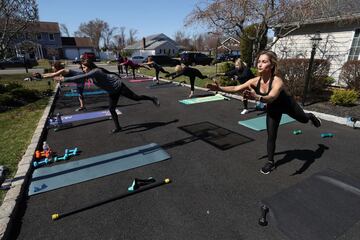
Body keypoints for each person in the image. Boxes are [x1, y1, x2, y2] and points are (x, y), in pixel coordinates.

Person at [206, 50, 322, 174]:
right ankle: (270, 162)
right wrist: (219, 88)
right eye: (259, 61)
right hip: (273, 109)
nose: (260, 64)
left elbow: (271, 97)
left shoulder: (277, 81)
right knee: (271, 136)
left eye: (264, 61)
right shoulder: (255, 81)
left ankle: (310, 116)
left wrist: (257, 97)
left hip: (288, 105)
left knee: (304, 120)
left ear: (271, 65)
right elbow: (235, 88)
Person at [54, 59, 160, 134]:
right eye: (83, 67)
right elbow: (79, 76)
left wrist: (64, 79)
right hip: (112, 90)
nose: (83, 69)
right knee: (111, 109)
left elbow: (83, 76)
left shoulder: (95, 71)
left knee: (136, 97)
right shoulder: (91, 72)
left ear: (90, 66)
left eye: (85, 67)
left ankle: (152, 98)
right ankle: (118, 127)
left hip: (118, 86)